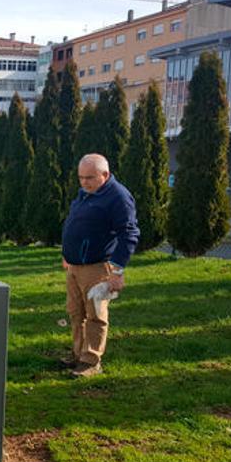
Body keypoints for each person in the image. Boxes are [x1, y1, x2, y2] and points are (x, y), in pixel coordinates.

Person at [61, 154, 140, 378]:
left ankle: (91, 361)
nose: (84, 182)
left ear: (105, 175)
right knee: (76, 312)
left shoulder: (118, 197)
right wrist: (67, 253)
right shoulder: (86, 193)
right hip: (75, 266)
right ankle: (78, 355)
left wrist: (117, 271)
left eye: (90, 178)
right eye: (81, 178)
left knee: (95, 314)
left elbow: (129, 233)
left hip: (97, 266)